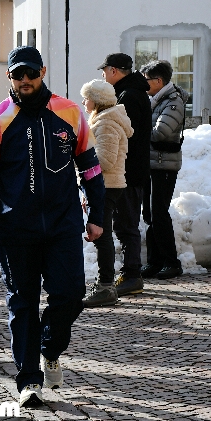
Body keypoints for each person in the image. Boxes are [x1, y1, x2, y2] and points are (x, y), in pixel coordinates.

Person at [0, 46, 105, 407]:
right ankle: (29, 379)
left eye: (30, 73)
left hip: (63, 225)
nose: (24, 80)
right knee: (22, 302)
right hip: (16, 229)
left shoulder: (70, 112)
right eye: (17, 74)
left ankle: (50, 347)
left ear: (43, 71)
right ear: (10, 77)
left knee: (70, 295)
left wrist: (98, 216)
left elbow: (90, 168)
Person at [98, 53, 152, 296]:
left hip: (129, 171)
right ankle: (130, 272)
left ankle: (132, 273)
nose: (103, 76)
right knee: (125, 223)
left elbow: (126, 135)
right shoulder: (133, 92)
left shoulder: (128, 96)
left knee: (127, 224)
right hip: (132, 169)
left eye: (105, 71)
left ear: (114, 71)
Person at [79, 80, 133, 307]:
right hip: (105, 184)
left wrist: (79, 159)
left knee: (102, 235)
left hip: (106, 185)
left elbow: (106, 159)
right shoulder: (104, 119)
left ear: (97, 100)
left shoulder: (107, 123)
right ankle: (105, 284)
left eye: (87, 97)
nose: (84, 102)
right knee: (103, 234)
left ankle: (105, 286)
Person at [140, 60, 188, 280]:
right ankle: (154, 262)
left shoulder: (173, 101)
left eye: (146, 80)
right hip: (153, 163)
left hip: (164, 165)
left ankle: (172, 263)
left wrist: (138, 130)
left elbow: (161, 132)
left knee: (158, 213)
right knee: (151, 214)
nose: (144, 84)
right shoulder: (156, 99)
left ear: (158, 81)